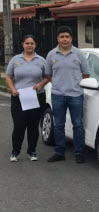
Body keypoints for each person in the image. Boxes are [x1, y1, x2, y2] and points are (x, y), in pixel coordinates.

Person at [45, 25, 90, 163]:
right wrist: (58, 84)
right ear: (57, 38)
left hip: (76, 95)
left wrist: (75, 84)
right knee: (58, 124)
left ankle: (79, 153)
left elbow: (86, 74)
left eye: (67, 36)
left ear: (71, 38)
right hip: (57, 94)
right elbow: (48, 74)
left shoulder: (79, 54)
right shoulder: (51, 54)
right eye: (62, 36)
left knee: (77, 124)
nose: (64, 39)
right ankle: (59, 152)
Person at [5, 35, 49, 162]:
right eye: (27, 43)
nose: (30, 45)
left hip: (37, 96)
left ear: (35, 45)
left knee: (33, 125)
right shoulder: (15, 60)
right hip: (19, 97)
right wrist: (13, 89)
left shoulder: (41, 60)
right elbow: (8, 76)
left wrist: (41, 84)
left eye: (32, 43)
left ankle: (32, 151)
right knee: (19, 125)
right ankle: (15, 152)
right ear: (23, 44)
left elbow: (47, 76)